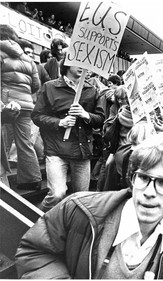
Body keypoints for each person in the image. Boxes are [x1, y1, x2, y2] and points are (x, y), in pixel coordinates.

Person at [15, 133, 163, 279]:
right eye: (143, 177)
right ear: (132, 178)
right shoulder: (78, 210)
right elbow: (35, 252)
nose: (150, 191)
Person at [31, 55, 105, 212]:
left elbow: (100, 119)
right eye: (78, 62)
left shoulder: (91, 90)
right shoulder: (50, 87)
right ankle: (39, 218)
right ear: (66, 64)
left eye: (85, 64)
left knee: (81, 199)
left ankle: (68, 226)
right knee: (57, 194)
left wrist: (86, 115)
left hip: (82, 151)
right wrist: (60, 122)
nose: (82, 67)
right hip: (57, 149)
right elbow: (36, 116)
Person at [0, 24, 42, 190]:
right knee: (25, 143)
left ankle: (3, 183)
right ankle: (32, 180)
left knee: (2, 142)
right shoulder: (28, 59)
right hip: (25, 105)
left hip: (6, 104)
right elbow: (36, 85)